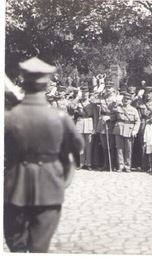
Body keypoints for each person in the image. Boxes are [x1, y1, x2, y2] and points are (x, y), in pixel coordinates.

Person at [4, 57, 84, 252]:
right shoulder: (60, 117)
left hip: (15, 187)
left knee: (17, 247)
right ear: (47, 85)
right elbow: (77, 146)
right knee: (40, 247)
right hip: (50, 187)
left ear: (23, 82)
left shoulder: (8, 118)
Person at [112, 92, 141, 172]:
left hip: (129, 129)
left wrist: (135, 130)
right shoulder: (118, 108)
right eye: (124, 99)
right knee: (119, 148)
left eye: (128, 99)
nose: (126, 100)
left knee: (128, 149)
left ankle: (128, 166)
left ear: (130, 101)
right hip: (119, 128)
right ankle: (121, 165)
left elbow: (138, 121)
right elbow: (112, 116)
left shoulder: (134, 110)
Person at [70, 84, 95, 170]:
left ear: (88, 93)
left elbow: (95, 115)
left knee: (88, 145)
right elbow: (71, 106)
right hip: (80, 123)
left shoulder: (92, 102)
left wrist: (94, 128)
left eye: (86, 92)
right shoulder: (78, 101)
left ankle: (88, 163)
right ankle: (81, 163)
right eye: (83, 92)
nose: (84, 94)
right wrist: (77, 97)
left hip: (89, 123)